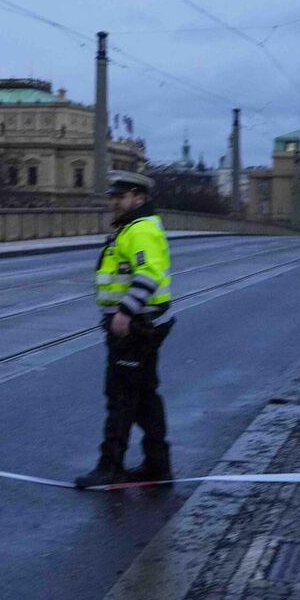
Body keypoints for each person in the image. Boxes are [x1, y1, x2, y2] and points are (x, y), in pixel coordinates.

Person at [75, 170, 174, 489]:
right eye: (113, 197)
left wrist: (125, 312)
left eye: (120, 197)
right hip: (138, 326)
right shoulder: (131, 228)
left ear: (139, 197)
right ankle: (158, 465)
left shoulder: (140, 230)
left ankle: (110, 467)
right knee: (144, 399)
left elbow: (150, 273)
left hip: (133, 328)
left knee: (120, 398)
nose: (114, 202)